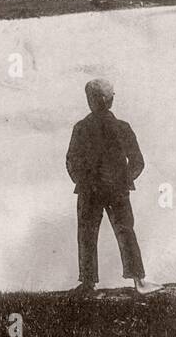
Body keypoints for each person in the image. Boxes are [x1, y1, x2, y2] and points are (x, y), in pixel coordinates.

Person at [65, 79, 160, 295]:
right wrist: (123, 180)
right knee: (125, 232)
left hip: (91, 191)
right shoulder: (122, 127)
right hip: (115, 190)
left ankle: (88, 283)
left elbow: (71, 161)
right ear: (109, 100)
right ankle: (138, 281)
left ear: (92, 100)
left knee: (88, 234)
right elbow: (138, 162)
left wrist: (83, 181)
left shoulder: (81, 127)